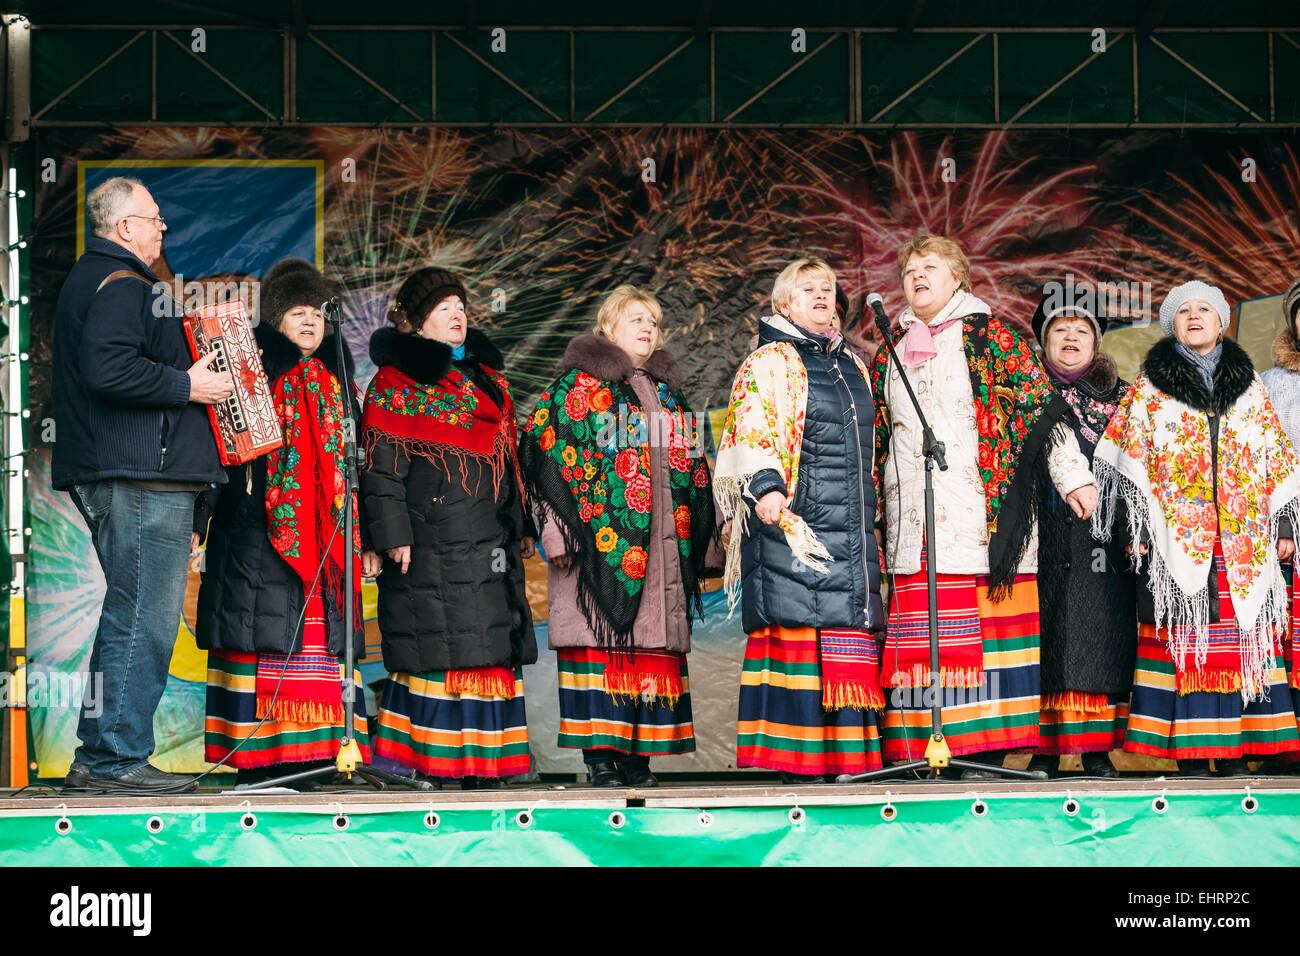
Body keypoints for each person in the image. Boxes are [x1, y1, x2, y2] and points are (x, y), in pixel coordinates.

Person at [870, 235, 1098, 780]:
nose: (918, 276)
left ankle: (982, 752)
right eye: (910, 270)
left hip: (980, 517)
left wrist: (1074, 477)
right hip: (915, 521)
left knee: (983, 633)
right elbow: (875, 439)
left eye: (931, 267)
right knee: (925, 637)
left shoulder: (990, 336)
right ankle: (921, 751)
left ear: (958, 278)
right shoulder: (890, 348)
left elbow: (1039, 412)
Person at [51, 176, 233, 793]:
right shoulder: (122, 284)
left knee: (133, 612)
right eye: (154, 219)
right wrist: (192, 386)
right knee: (142, 618)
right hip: (139, 475)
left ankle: (104, 756)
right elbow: (110, 369)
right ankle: (113, 761)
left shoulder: (101, 280)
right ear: (125, 227)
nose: (163, 229)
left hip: (132, 471)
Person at [1095, 281, 1300, 774]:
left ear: (1221, 320)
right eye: (1182, 311)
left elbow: (1277, 461)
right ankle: (1188, 755)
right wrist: (1138, 525)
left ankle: (1236, 753)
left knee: (1238, 639)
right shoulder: (1150, 385)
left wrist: (1286, 525)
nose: (1193, 316)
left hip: (1242, 540)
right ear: (1173, 325)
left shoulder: (1250, 385)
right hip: (1177, 539)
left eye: (1203, 309)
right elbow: (1125, 462)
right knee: (1186, 642)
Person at [520, 286, 718, 787]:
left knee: (651, 651)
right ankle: (602, 759)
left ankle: (638, 758)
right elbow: (542, 456)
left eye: (653, 321)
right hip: (598, 557)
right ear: (608, 328)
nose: (647, 329)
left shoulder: (671, 397)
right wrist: (556, 532)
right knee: (601, 650)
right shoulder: (578, 389)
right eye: (635, 319)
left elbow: (698, 473)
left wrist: (707, 545)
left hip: (661, 554)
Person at [195, 260, 381, 788]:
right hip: (256, 530)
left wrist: (361, 537)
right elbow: (221, 455)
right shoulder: (249, 374)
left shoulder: (337, 381)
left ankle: (321, 755)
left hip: (327, 540)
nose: (307, 323)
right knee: (265, 634)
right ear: (276, 320)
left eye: (315, 314)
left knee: (318, 645)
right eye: (295, 312)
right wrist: (200, 519)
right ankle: (264, 758)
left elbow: (355, 468)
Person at [361, 268, 536, 789]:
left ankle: (488, 765)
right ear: (417, 325)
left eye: (461, 305)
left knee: (488, 644)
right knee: (434, 643)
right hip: (427, 541)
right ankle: (424, 765)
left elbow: (510, 464)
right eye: (444, 308)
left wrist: (522, 523)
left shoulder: (489, 383)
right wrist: (390, 534)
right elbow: (379, 469)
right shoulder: (395, 385)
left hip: (490, 539)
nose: (458, 313)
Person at [715, 258, 886, 784]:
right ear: (783, 303)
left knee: (845, 628)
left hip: (852, 527)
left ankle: (846, 765)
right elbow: (751, 426)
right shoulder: (771, 361)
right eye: (807, 289)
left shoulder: (853, 364)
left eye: (828, 289)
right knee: (803, 626)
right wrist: (766, 488)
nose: (820, 296)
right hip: (797, 522)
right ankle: (801, 762)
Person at [1028, 289, 1136, 778]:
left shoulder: (1125, 398)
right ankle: (1045, 749)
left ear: (1096, 342)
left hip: (1103, 534)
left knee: (1100, 635)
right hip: (1037, 534)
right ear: (1044, 341)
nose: (1071, 336)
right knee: (1043, 638)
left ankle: (1095, 750)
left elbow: (1143, 469)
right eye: (1060, 329)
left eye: (1081, 330)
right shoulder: (1024, 396)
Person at [1260, 279, 1300, 772]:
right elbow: (1265, 463)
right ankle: (1284, 747)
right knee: (1284, 641)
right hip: (1286, 535)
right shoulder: (1271, 384)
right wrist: (1283, 526)